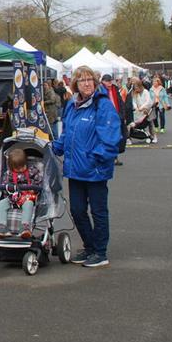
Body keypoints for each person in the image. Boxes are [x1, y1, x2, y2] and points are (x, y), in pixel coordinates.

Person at [52, 66, 122, 268]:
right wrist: (53, 148)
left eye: (90, 79)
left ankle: (100, 252)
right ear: (75, 84)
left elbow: (110, 138)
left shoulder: (103, 105)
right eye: (82, 80)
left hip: (95, 170)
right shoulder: (72, 105)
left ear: (95, 82)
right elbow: (66, 135)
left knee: (98, 211)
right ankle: (90, 247)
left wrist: (95, 158)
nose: (87, 83)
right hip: (75, 170)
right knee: (77, 210)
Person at [0, 147, 44, 239]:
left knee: (28, 204)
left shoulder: (32, 171)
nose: (20, 170)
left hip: (27, 197)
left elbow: (39, 181)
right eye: (17, 168)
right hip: (13, 197)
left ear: (26, 163)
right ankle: (2, 227)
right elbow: (5, 185)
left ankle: (25, 227)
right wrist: (8, 188)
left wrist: (34, 188)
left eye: (22, 166)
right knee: (1, 204)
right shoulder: (9, 174)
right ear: (11, 167)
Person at [129, 78, 157, 143]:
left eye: (136, 87)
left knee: (150, 123)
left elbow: (148, 101)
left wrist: (142, 107)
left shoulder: (145, 92)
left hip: (148, 109)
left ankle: (154, 136)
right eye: (134, 87)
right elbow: (133, 101)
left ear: (140, 86)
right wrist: (136, 107)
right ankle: (147, 135)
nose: (135, 89)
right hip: (139, 111)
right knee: (141, 123)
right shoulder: (134, 93)